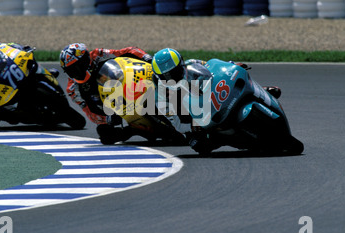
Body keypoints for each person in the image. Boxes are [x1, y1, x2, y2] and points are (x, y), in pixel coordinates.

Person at [151, 47, 282, 153]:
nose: (172, 77)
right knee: (200, 146)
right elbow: (177, 124)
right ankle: (234, 139)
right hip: (194, 120)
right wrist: (192, 126)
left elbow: (213, 67)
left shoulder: (193, 63)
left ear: (182, 64)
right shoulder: (161, 99)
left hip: (212, 95)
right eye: (167, 76)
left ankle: (261, 90)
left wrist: (232, 65)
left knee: (240, 76)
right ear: (160, 78)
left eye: (174, 72)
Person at [59, 42, 153, 144]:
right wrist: (106, 118)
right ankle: (134, 130)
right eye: (71, 71)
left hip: (126, 81)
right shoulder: (73, 89)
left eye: (78, 67)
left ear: (85, 59)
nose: (76, 72)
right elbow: (89, 112)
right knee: (105, 134)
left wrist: (146, 58)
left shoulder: (98, 55)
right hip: (110, 106)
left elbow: (127, 51)